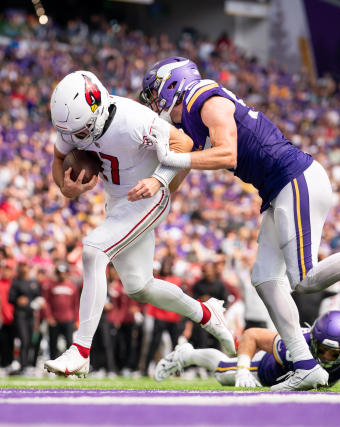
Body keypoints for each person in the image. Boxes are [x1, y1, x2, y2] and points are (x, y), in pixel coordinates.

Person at [140, 57, 340, 390]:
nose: (151, 101)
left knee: (304, 279)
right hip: (279, 188)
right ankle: (305, 363)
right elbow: (183, 168)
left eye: (153, 92)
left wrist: (171, 157)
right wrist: (159, 186)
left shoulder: (203, 98)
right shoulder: (192, 120)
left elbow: (227, 154)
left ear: (172, 84)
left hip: (294, 178)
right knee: (264, 278)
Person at [43, 70, 236, 377]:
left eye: (80, 133)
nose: (74, 139)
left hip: (148, 197)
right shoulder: (74, 121)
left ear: (97, 110)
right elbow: (57, 161)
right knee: (139, 287)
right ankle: (206, 313)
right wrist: (65, 188)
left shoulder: (133, 120)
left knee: (94, 250)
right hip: (118, 202)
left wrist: (159, 180)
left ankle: (80, 351)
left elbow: (185, 144)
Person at [154, 310, 340, 391]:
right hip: (263, 370)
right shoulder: (293, 347)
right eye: (322, 350)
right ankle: (186, 354)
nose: (325, 358)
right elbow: (251, 335)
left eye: (334, 354)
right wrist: (242, 371)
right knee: (222, 371)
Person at [42, 262, 79, 361]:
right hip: (54, 320)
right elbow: (46, 302)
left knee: (69, 344)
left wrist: (76, 320)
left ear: (67, 273)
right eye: (59, 273)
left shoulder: (73, 287)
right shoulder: (51, 286)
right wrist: (49, 317)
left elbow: (76, 305)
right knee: (53, 343)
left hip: (68, 319)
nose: (61, 275)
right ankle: (52, 365)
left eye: (64, 272)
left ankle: (69, 365)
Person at [8, 262, 41, 373]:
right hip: (20, 315)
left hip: (31, 315)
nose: (23, 268)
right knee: (24, 339)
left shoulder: (33, 282)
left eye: (25, 266)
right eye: (21, 266)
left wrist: (39, 302)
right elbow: (10, 298)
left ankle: (30, 364)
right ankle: (23, 365)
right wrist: (18, 300)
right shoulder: (16, 282)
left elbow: (38, 297)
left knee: (32, 340)